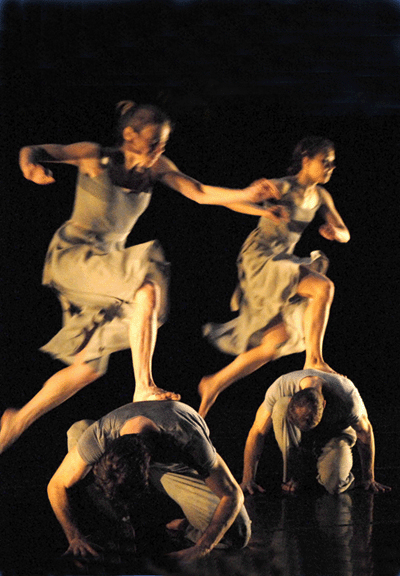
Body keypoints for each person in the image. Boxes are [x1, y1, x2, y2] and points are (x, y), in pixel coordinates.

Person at [0, 100, 283, 454]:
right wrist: (29, 165)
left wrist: (252, 200)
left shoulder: (157, 167)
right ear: (130, 135)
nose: (159, 150)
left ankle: (17, 420)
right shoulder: (93, 156)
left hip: (106, 266)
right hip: (75, 257)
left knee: (88, 368)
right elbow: (35, 150)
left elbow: (199, 193)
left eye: (163, 144)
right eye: (153, 142)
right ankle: (143, 385)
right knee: (146, 285)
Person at [198, 136, 350, 418]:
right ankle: (314, 359)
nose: (330, 167)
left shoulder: (321, 197)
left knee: (274, 342)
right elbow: (233, 202)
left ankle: (214, 383)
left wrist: (335, 233)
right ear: (306, 160)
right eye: (324, 161)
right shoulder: (283, 186)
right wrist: (263, 209)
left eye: (332, 163)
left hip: (282, 261)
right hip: (261, 258)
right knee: (322, 288)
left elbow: (344, 232)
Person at [47, 399, 251, 563]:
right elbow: (56, 485)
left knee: (237, 534)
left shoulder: (186, 436)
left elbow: (232, 494)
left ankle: (183, 525)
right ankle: (118, 524)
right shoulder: (101, 435)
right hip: (137, 460)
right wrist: (74, 536)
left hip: (174, 468)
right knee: (78, 430)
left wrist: (202, 547)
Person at [240, 369, 391, 496]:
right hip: (302, 440)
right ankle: (294, 474)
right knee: (280, 407)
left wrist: (368, 478)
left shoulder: (347, 397)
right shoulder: (281, 386)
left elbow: (365, 432)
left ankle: (324, 469)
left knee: (334, 485)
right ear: (293, 398)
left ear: (324, 404)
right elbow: (257, 431)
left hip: (335, 435)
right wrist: (247, 479)